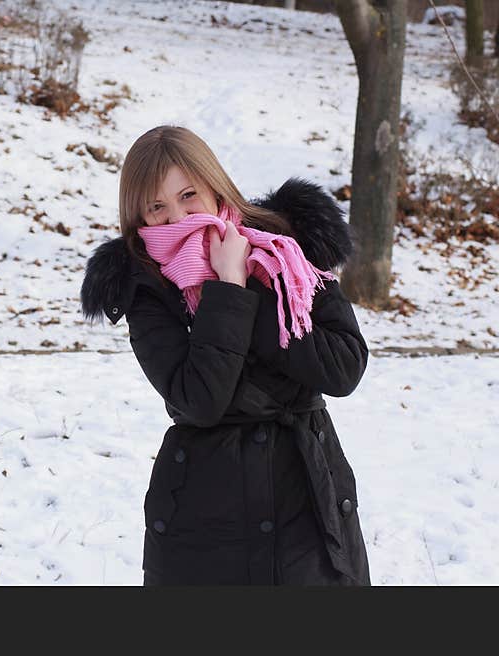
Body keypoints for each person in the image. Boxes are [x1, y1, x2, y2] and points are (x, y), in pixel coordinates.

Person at [80, 125, 371, 585]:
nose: (176, 216)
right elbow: (199, 399)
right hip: (206, 520)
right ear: (139, 216)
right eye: (157, 206)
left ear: (214, 185)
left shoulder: (287, 247)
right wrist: (228, 288)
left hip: (309, 507)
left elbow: (342, 368)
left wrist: (251, 283)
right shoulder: (146, 286)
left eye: (188, 195)